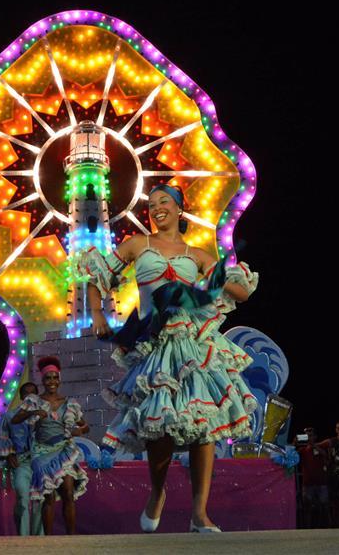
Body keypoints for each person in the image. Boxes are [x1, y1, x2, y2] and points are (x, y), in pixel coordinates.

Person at [77, 183, 257, 533]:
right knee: (159, 430)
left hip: (193, 346)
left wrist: (224, 281)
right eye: (151, 204)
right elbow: (97, 276)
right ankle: (157, 493)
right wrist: (98, 314)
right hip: (155, 344)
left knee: (205, 425)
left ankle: (199, 514)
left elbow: (239, 291)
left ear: (178, 209)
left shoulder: (197, 254)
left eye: (164, 202)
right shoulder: (137, 245)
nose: (156, 208)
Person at [12, 356, 89, 535]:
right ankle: (49, 540)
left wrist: (79, 431)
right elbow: (16, 419)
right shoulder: (34, 401)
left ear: (59, 379)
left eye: (55, 377)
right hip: (41, 452)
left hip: (63, 450)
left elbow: (85, 426)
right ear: (43, 380)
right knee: (48, 497)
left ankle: (70, 537)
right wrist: (34, 411)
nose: (52, 381)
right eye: (48, 378)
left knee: (68, 492)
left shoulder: (69, 403)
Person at [0, 381, 43, 535]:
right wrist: (9, 454)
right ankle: (23, 538)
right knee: (22, 495)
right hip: (22, 462)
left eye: (33, 393)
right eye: (26, 393)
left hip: (40, 462)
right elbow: (1, 438)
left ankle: (40, 540)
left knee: (40, 501)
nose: (29, 396)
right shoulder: (10, 416)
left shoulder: (43, 415)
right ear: (21, 396)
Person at [297, 427, 331, 528]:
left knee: (325, 507)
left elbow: (325, 455)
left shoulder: (320, 447)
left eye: (311, 435)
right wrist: (295, 442)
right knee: (307, 508)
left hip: (321, 483)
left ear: (315, 437)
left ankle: (327, 528)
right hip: (308, 484)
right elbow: (294, 456)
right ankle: (308, 529)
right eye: (307, 436)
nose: (309, 437)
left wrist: (314, 445)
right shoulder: (302, 450)